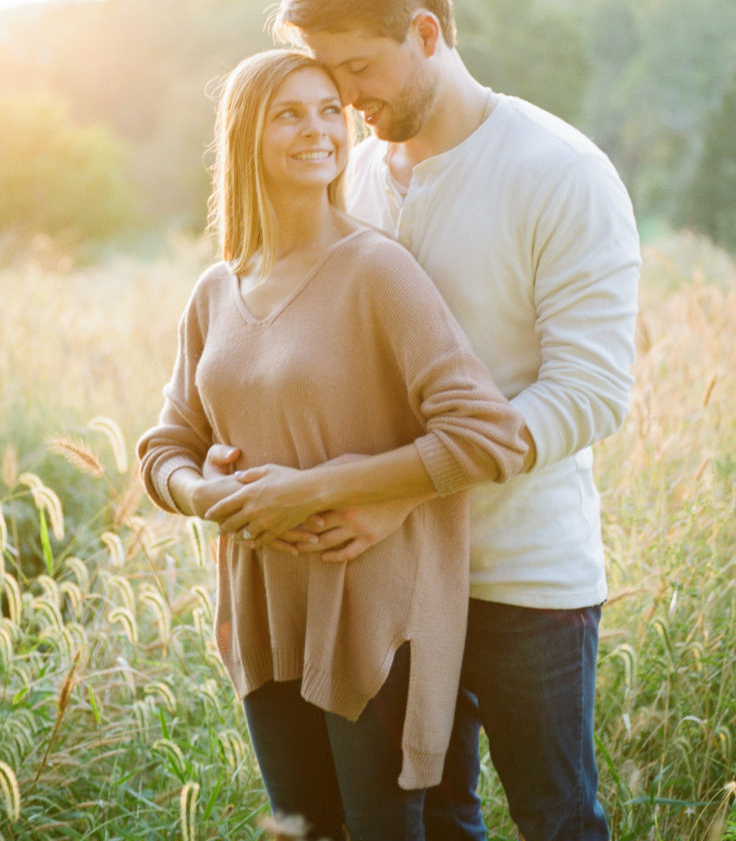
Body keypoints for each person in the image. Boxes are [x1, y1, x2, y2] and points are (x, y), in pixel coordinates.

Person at [209, 0, 641, 840]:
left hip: (521, 575)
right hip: (387, 581)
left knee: (556, 819)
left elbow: (590, 391)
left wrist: (397, 493)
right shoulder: (353, 172)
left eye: (357, 69)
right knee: (437, 821)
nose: (342, 100)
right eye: (323, 78)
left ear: (426, 33)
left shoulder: (560, 173)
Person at [137, 48, 529, 841]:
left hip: (372, 611)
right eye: (289, 113)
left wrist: (315, 489)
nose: (317, 129)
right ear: (245, 135)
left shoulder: (377, 271)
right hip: (262, 611)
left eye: (328, 110)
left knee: (382, 830)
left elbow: (487, 435)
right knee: (306, 830)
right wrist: (205, 495)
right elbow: (165, 449)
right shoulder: (216, 290)